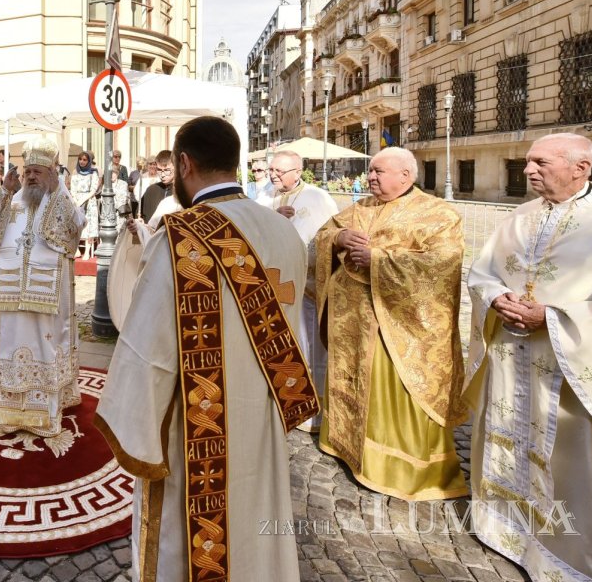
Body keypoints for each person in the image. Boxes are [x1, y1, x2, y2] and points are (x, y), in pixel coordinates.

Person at [95, 116, 315, 582]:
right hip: (265, 412)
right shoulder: (283, 231)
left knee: (196, 536)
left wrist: (134, 420)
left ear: (184, 163)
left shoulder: (181, 238)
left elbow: (147, 348)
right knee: (257, 514)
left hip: (201, 431)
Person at [465, 133, 592, 582]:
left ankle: (570, 564)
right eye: (527, 162)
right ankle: (507, 531)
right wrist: (496, 297)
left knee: (579, 466)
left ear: (580, 168)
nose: (527, 171)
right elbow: (482, 272)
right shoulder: (518, 217)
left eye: (539, 163)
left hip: (577, 372)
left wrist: (555, 316)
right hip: (512, 357)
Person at [314, 146, 469, 501]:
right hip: (351, 322)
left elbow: (445, 264)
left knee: (392, 392)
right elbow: (324, 235)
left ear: (406, 176)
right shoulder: (361, 207)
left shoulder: (438, 214)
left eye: (379, 171)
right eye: (370, 171)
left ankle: (397, 467)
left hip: (397, 327)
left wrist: (378, 259)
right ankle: (346, 446)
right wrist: (337, 239)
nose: (371, 177)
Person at [0, 137, 85, 454]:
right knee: (12, 343)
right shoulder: (12, 199)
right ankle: (11, 414)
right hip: (13, 294)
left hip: (47, 294)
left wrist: (56, 190)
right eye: (29, 171)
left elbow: (74, 231)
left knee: (47, 344)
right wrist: (4, 189)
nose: (33, 177)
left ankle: (48, 415)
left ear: (51, 172)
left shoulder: (61, 199)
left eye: (39, 171)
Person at [267, 150, 338, 431]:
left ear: (298, 171)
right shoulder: (266, 197)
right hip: (275, 285)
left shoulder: (317, 199)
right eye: (271, 170)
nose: (273, 175)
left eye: (279, 171)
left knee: (309, 346)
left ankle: (313, 409)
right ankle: (286, 400)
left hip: (306, 287)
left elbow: (327, 236)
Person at [70, 150, 100, 259]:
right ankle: (76, 249)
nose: (82, 162)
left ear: (88, 161)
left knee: (88, 225)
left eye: (84, 160)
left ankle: (87, 250)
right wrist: (75, 200)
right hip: (77, 201)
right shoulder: (75, 172)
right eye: (80, 159)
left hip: (89, 200)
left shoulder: (93, 172)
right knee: (75, 224)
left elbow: (93, 190)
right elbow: (72, 189)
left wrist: (83, 199)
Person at [137, 150, 173, 222]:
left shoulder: (183, 191)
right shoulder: (151, 190)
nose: (162, 175)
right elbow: (141, 214)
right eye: (159, 170)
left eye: (166, 170)